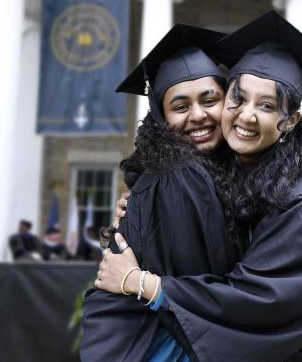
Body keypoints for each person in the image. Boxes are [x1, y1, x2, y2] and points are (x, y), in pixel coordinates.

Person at [96, 11, 302, 361]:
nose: (246, 115)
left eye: (266, 105)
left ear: (289, 121)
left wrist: (138, 281)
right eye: (238, 98)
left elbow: (258, 300)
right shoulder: (227, 178)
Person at [81, 24, 245, 361]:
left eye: (209, 99)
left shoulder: (210, 172)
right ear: (161, 117)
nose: (198, 115)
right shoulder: (180, 179)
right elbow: (214, 296)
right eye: (181, 106)